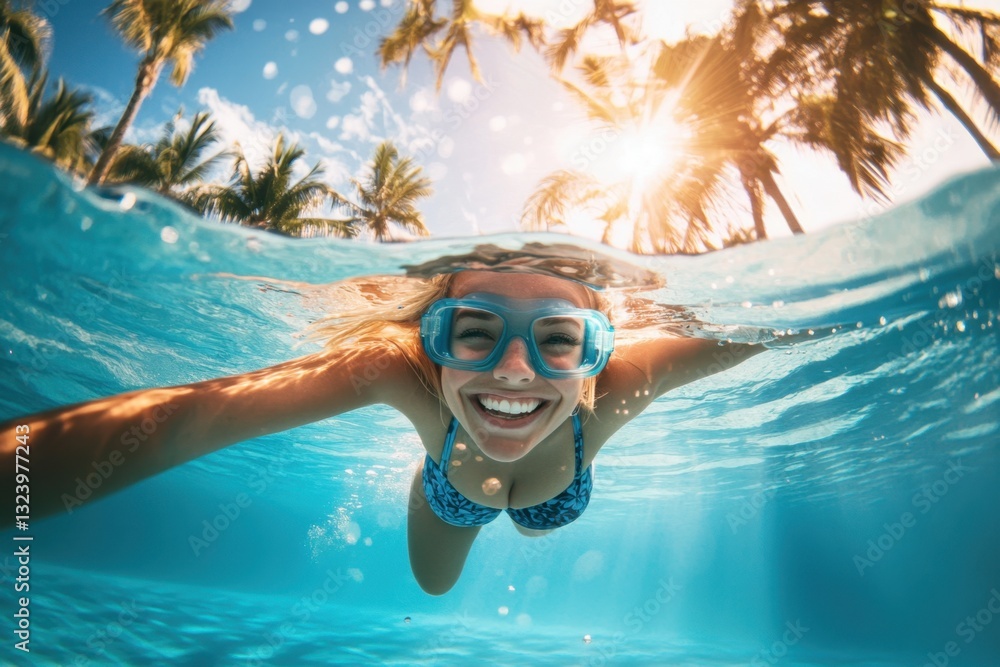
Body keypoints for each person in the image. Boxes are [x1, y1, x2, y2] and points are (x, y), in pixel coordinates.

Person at [1, 255, 760, 595]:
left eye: (559, 337)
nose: (516, 370)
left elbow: (790, 325)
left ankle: (527, 506)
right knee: (433, 586)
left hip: (558, 494)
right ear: (430, 337)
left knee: (536, 524)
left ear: (597, 354)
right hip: (452, 493)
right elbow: (190, 418)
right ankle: (432, 480)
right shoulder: (397, 370)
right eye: (475, 330)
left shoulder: (636, 375)